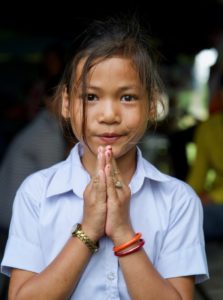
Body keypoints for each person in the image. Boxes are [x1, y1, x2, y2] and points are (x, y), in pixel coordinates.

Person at [1, 16, 208, 299]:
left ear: (152, 104)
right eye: (90, 97)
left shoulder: (178, 201)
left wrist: (123, 233)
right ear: (65, 104)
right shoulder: (37, 194)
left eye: (127, 98)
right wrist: (87, 230)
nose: (109, 115)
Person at [0, 75, 70, 231]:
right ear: (47, 100)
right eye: (63, 97)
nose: (69, 104)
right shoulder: (48, 135)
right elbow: (56, 188)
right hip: (15, 221)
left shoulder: (44, 124)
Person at [187, 90, 223, 241]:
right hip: (215, 202)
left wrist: (212, 197)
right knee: (181, 215)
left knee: (197, 221)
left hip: (217, 201)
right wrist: (186, 197)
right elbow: (197, 176)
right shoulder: (208, 128)